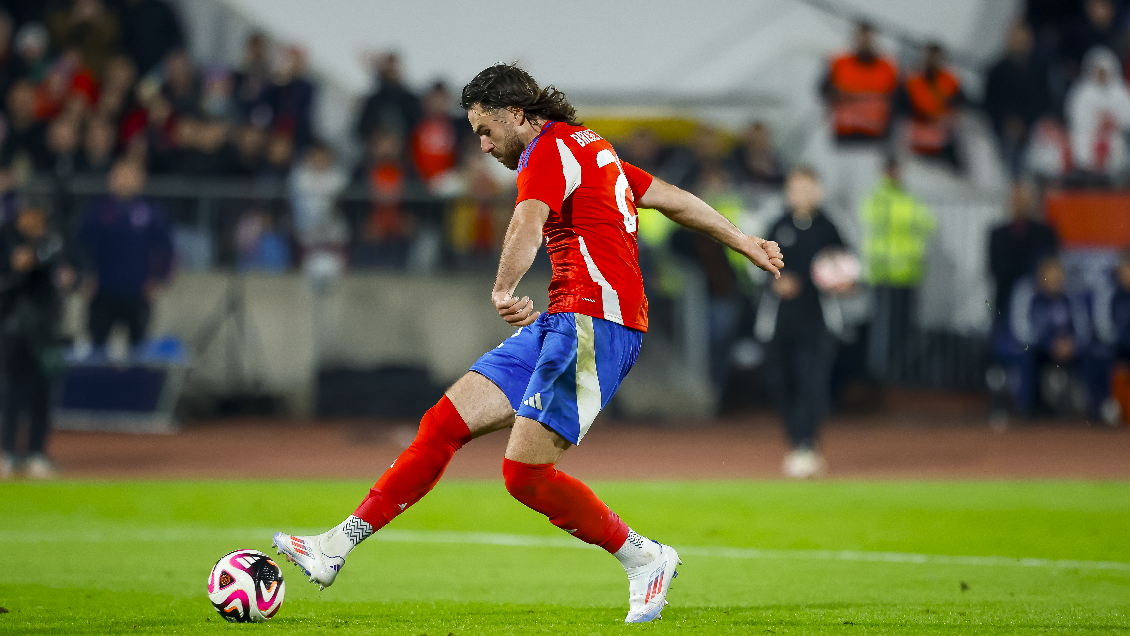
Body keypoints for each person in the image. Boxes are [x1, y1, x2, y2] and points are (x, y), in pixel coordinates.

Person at [271, 63, 783, 624]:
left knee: (523, 475)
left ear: (517, 114)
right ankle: (334, 547)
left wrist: (502, 288)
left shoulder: (548, 150)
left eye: (486, 130)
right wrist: (743, 239)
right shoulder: (590, 147)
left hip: (596, 322)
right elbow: (672, 198)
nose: (484, 145)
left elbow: (527, 222)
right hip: (563, 318)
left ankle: (644, 557)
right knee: (442, 424)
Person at [755, 167, 845, 479]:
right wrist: (775, 282)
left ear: (818, 191)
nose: (802, 195)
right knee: (781, 382)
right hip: (780, 322)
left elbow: (845, 266)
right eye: (797, 189)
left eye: (808, 188)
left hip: (817, 320)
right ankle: (796, 442)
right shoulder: (777, 226)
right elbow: (758, 266)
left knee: (811, 382)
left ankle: (807, 444)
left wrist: (838, 282)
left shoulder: (829, 228)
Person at [0, 199, 77, 479]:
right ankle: (8, 454)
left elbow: (70, 273)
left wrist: (71, 277)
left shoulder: (52, 241)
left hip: (48, 331)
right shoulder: (7, 237)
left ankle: (36, 454)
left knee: (43, 393)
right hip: (15, 329)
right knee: (12, 391)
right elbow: (15, 271)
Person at [77, 158, 172, 349]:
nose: (124, 180)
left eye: (129, 175)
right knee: (98, 347)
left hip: (137, 293)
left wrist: (158, 279)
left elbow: (166, 249)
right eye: (119, 175)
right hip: (103, 291)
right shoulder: (97, 211)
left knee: (138, 347)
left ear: (140, 180)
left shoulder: (151, 213)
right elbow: (80, 245)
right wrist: (85, 275)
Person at [860, 158, 934, 380]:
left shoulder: (907, 198)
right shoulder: (877, 198)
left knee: (903, 325)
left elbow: (929, 225)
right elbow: (872, 222)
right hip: (884, 272)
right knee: (883, 325)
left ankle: (899, 371)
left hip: (907, 272)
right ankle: (879, 372)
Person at [983, 22, 1054, 177]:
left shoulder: (1038, 70)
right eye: (1017, 39)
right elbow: (991, 103)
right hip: (1004, 128)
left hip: (1032, 127)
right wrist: (1007, 121)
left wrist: (1029, 124)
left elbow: (1044, 101)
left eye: (1024, 39)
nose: (1020, 43)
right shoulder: (997, 70)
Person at [821, 21, 899, 145]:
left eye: (868, 37)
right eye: (862, 37)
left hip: (875, 134)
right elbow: (823, 90)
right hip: (844, 133)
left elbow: (897, 100)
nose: (864, 42)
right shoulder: (840, 63)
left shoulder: (887, 67)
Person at [1065, 46, 1130, 180]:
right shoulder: (1082, 92)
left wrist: (1114, 122)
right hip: (1089, 136)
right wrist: (1098, 122)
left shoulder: (1121, 91)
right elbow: (1076, 119)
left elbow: (1127, 117)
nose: (1102, 75)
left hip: (1116, 136)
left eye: (1104, 71)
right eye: (1098, 71)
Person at [903, 43, 967, 169]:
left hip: (943, 139)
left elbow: (961, 105)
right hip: (917, 138)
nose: (933, 60)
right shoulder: (913, 81)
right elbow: (906, 108)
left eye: (936, 57)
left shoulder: (951, 81)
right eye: (930, 56)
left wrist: (948, 117)